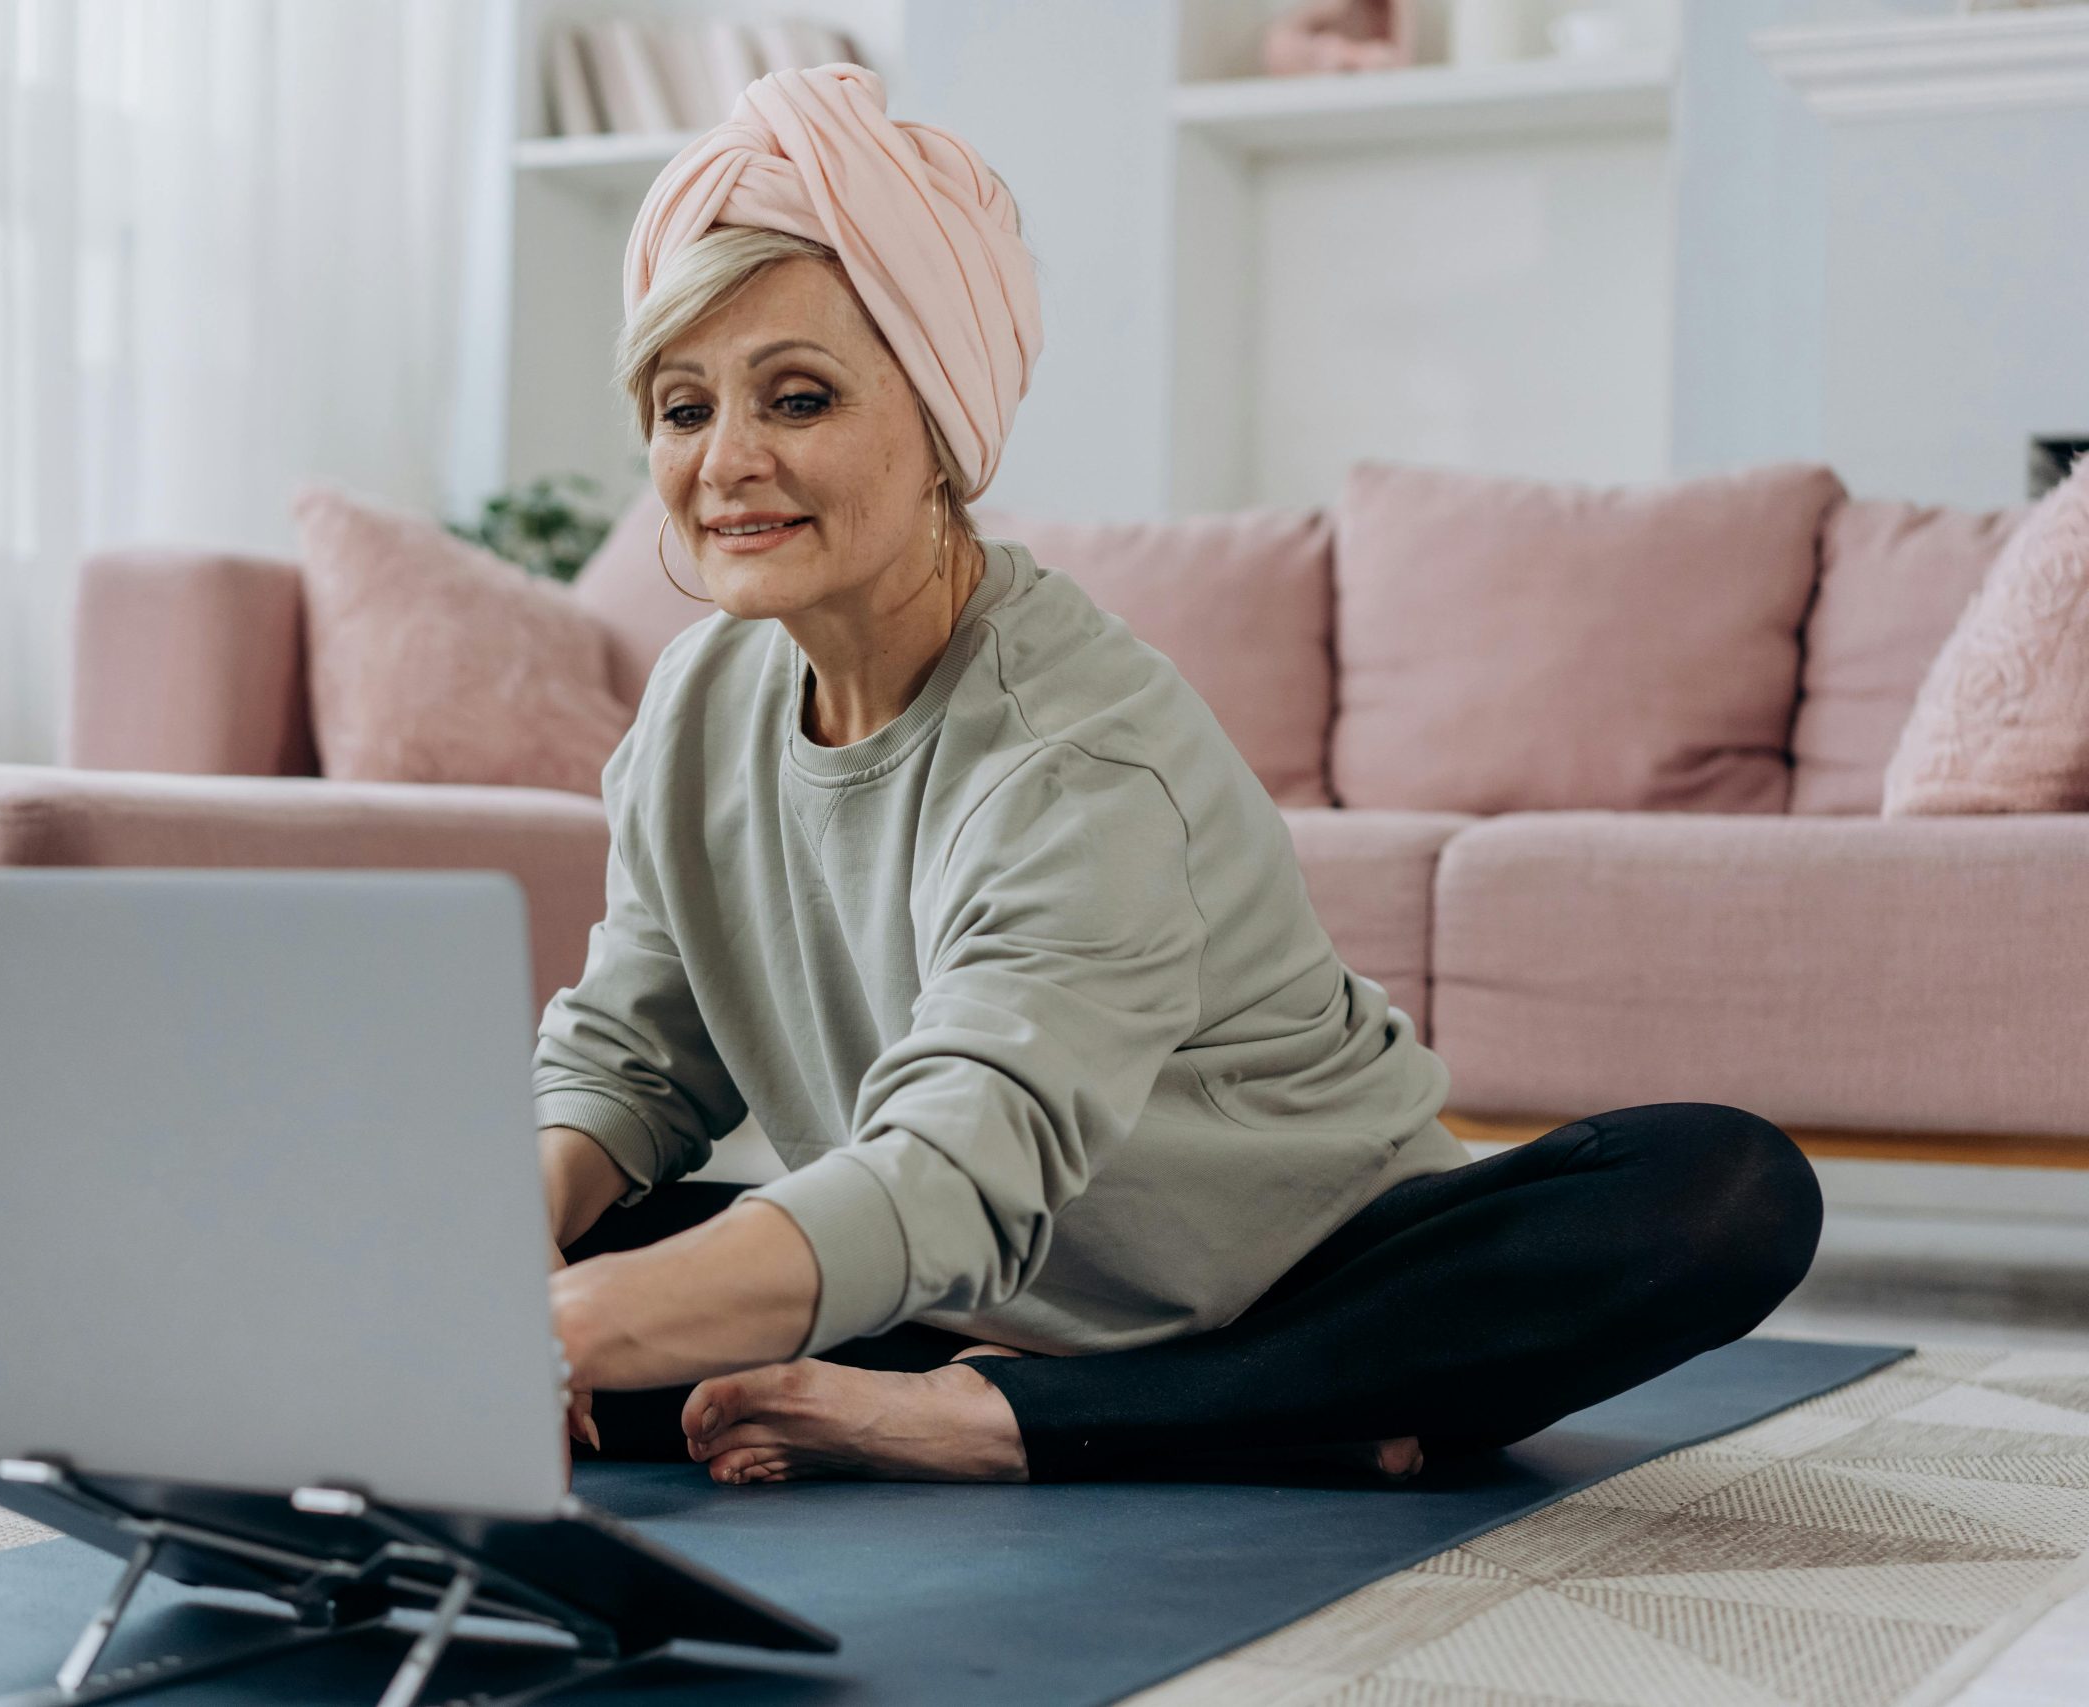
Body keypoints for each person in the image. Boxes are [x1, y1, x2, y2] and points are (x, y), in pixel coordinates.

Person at [535, 62, 1823, 1487]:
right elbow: (635, 1056)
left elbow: (965, 1166)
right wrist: (515, 1254)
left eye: (798, 398)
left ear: (944, 429)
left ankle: (1010, 1417)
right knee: (514, 1232)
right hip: (962, 1280)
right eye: (681, 407)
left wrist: (562, 1333)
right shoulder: (696, 703)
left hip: (1301, 1281)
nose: (728, 463)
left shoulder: (1076, 755)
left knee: (1723, 1191)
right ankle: (1212, 1418)